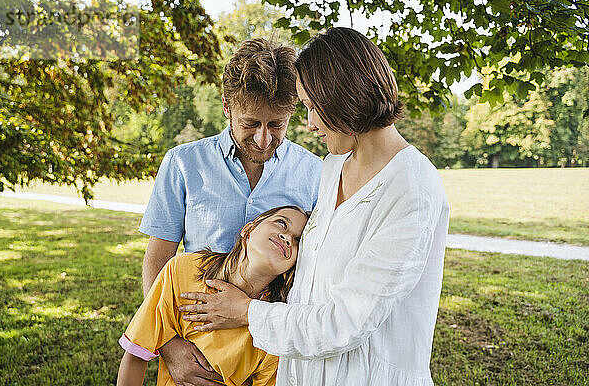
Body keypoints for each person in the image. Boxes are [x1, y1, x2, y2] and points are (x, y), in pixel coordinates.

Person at [179, 27, 450, 386]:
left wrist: (247, 312)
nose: (309, 124)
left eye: (311, 107)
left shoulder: (412, 188)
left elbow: (346, 322)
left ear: (342, 99)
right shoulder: (333, 167)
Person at [138, 38, 323, 385]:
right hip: (196, 347)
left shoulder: (315, 173)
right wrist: (167, 344)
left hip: (273, 355)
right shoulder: (182, 163)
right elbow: (158, 259)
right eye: (251, 123)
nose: (264, 139)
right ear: (226, 106)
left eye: (277, 125)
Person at [118, 206, 309, 386]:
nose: (287, 237)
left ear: (291, 267)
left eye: (298, 240)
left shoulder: (273, 323)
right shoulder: (182, 270)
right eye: (281, 223)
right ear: (248, 230)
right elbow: (136, 353)